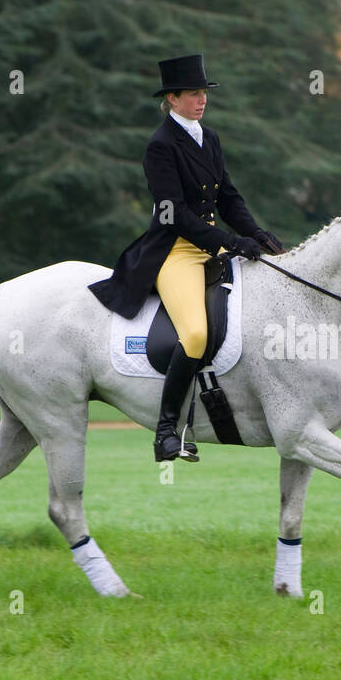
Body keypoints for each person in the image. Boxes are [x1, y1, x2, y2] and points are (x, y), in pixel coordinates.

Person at [89, 54, 283, 462]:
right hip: (177, 251)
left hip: (215, 246)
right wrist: (227, 242)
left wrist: (255, 233)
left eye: (204, 93)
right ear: (172, 99)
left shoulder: (208, 138)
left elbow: (228, 196)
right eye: (193, 94)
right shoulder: (160, 146)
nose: (201, 100)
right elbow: (173, 212)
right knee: (194, 334)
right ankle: (166, 431)